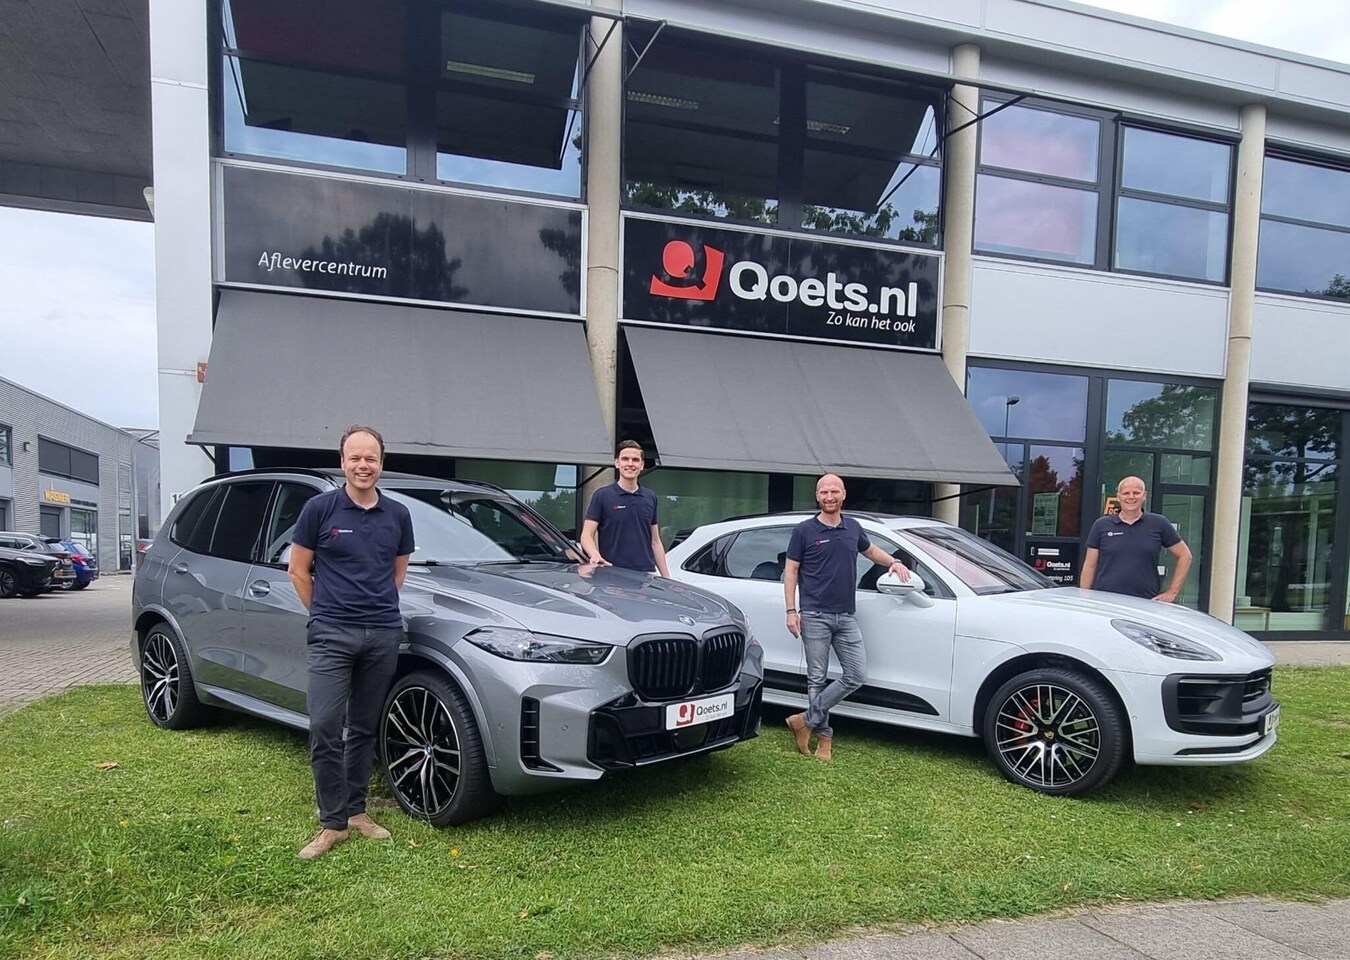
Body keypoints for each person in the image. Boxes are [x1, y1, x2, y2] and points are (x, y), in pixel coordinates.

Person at [287, 424, 414, 860]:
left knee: (363, 726)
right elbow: (298, 570)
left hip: (382, 633)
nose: (364, 465)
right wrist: (325, 614)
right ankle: (332, 823)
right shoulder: (320, 510)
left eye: (371, 458)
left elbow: (397, 573)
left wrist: (374, 613)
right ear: (342, 462)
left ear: (382, 463)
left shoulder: (398, 514)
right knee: (325, 725)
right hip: (332, 634)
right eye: (355, 458)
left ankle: (356, 811)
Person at [783, 473, 910, 761]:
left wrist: (894, 561)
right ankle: (824, 739)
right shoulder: (804, 531)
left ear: (843, 494)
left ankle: (804, 721)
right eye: (824, 492)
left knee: (856, 675)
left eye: (834, 492)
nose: (829, 497)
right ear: (817, 496)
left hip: (846, 615)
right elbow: (790, 571)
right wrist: (791, 611)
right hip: (814, 614)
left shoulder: (853, 527)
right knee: (817, 679)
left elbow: (871, 551)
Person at [1081, 475, 1192, 602]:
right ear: (1118, 497)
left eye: (1136, 493)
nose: (1131, 497)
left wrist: (1172, 592)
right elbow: (1090, 565)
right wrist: (1084, 598)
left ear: (1144, 496)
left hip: (1146, 602)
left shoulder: (1159, 523)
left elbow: (1185, 555)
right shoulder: (1101, 525)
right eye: (1126, 493)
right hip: (1106, 602)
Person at [580, 440, 670, 577]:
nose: (630, 464)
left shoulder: (650, 497)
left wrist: (667, 578)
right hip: (612, 574)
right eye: (625, 459)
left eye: (635, 460)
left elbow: (655, 542)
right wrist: (595, 555)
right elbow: (586, 535)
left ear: (642, 465)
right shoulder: (602, 496)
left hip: (646, 575)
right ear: (617, 463)